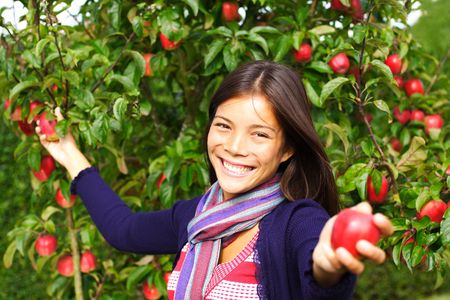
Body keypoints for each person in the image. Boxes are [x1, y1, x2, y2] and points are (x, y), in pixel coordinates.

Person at [36, 60, 393, 300]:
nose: (234, 147)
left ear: (287, 149)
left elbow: (318, 278)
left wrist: (327, 267)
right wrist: (68, 153)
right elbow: (124, 229)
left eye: (260, 135)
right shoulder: (196, 219)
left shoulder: (298, 221)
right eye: (224, 126)